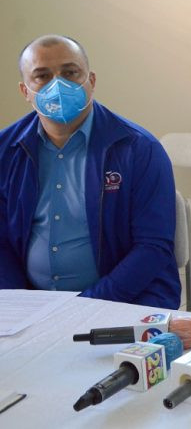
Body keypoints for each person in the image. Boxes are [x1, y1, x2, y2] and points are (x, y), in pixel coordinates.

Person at [0, 34, 180, 308]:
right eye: (42, 76)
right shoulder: (6, 151)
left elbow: (152, 248)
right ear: (26, 91)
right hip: (32, 304)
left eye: (70, 72)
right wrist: (21, 303)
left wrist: (85, 306)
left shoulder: (138, 149)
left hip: (125, 300)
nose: (58, 84)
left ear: (91, 81)